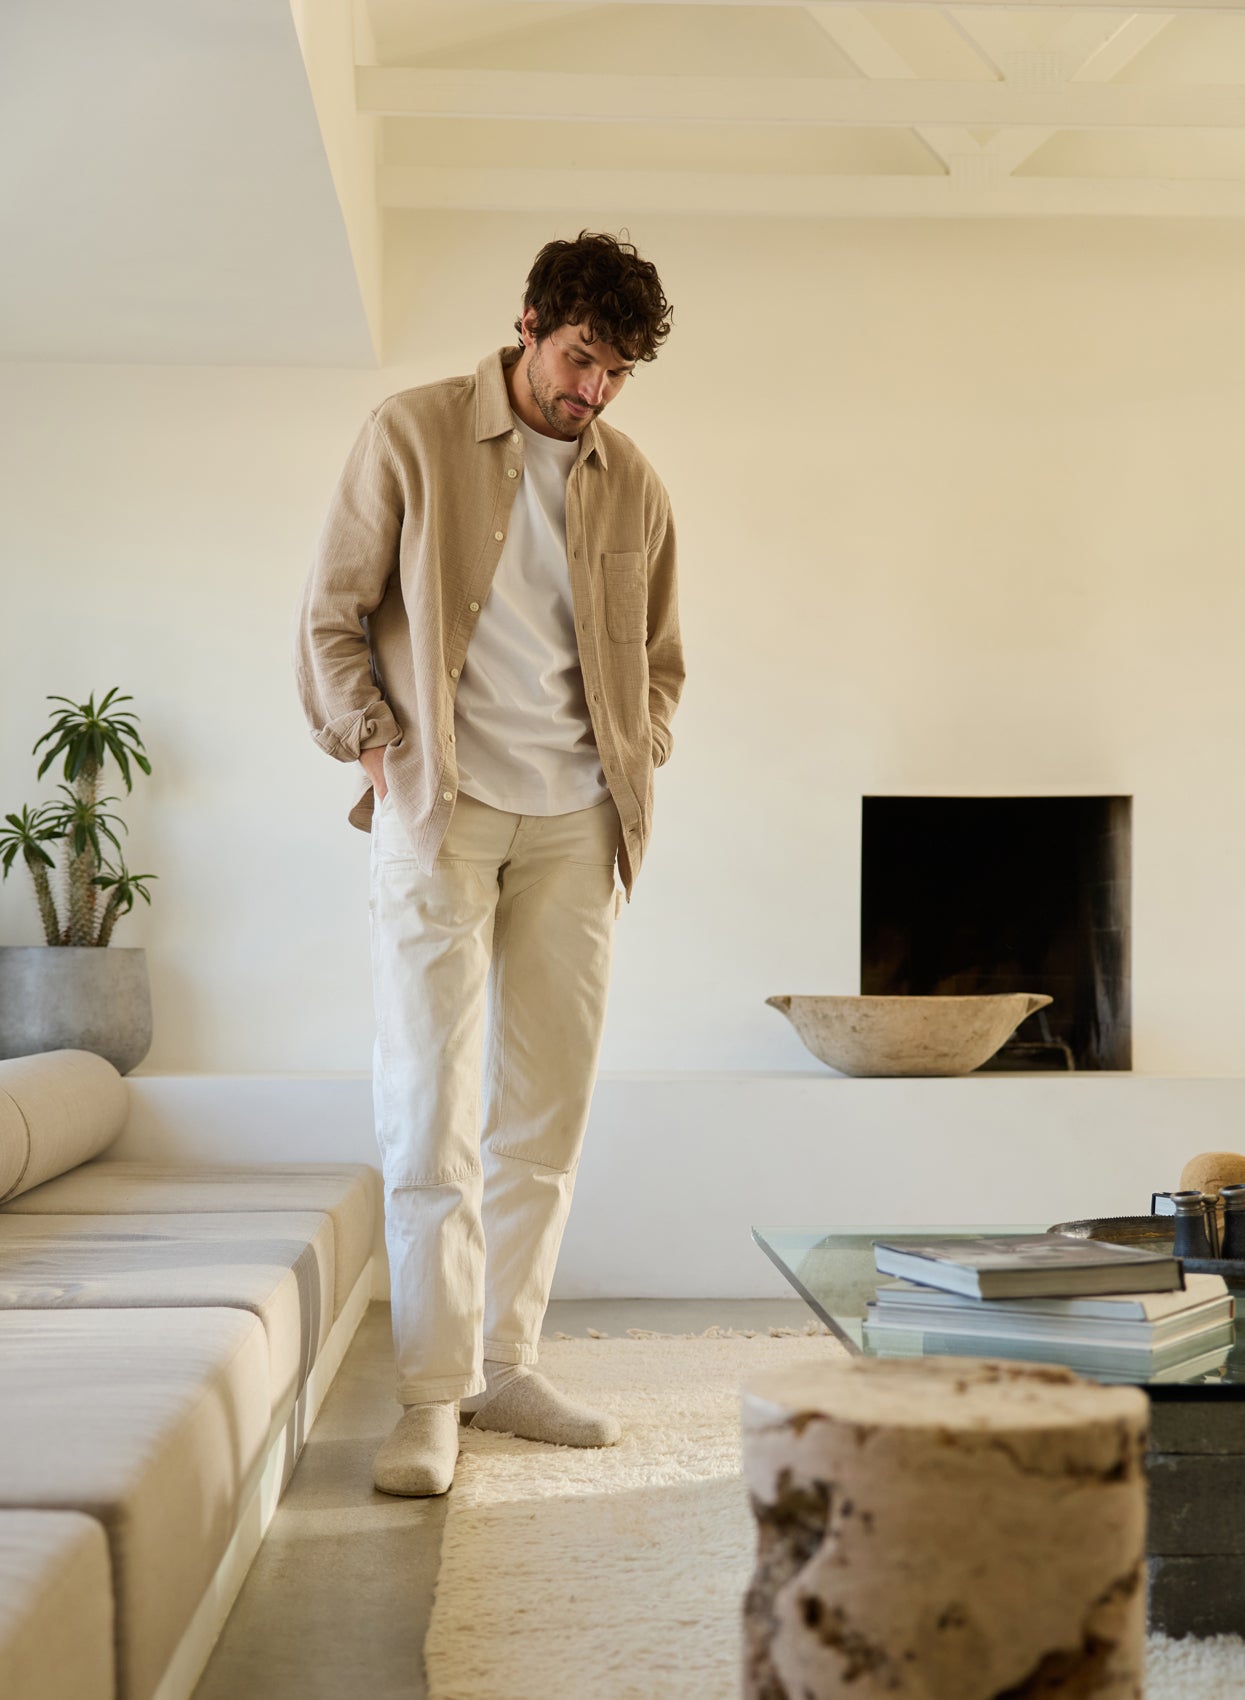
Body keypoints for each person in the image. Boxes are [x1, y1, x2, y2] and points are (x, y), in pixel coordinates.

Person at [294, 232, 683, 1496]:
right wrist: (377, 746)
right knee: (428, 1108)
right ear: (528, 322)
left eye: (618, 371)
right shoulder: (409, 434)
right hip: (441, 815)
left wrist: (638, 748)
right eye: (581, 358)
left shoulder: (636, 486)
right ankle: (427, 1397)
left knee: (546, 1111)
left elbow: (661, 663)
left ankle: (504, 1364)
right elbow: (330, 617)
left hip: (580, 826)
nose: (595, 390)